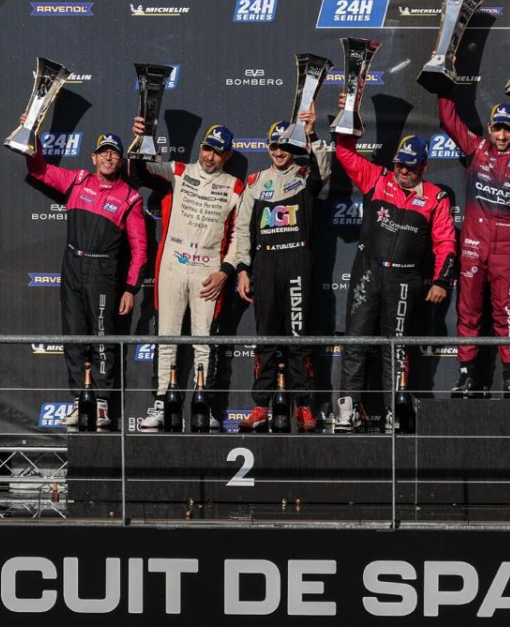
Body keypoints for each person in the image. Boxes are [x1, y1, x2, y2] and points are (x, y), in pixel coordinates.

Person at [22, 130, 147, 431]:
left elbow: (140, 248)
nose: (107, 157)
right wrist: (32, 135)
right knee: (74, 336)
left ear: (120, 161)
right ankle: (80, 400)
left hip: (103, 271)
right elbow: (38, 169)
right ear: (93, 157)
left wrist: (130, 288)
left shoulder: (130, 197)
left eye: (114, 153)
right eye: (103, 152)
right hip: (72, 266)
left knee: (102, 337)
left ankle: (101, 404)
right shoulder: (77, 181)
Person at [333, 129, 456, 432]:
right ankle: (347, 409)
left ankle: (395, 409)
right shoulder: (377, 179)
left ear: (424, 167)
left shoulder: (435, 198)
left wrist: (441, 281)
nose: (403, 170)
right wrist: (348, 124)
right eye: (400, 163)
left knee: (397, 347)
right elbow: (345, 154)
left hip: (404, 278)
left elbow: (446, 244)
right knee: (355, 341)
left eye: (410, 166)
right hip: (368, 271)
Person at [132, 121, 244, 432]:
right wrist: (142, 135)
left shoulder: (236, 187)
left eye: (217, 153)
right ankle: (161, 403)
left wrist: (226, 270)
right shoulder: (179, 171)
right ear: (201, 148)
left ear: (228, 155)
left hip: (208, 271)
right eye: (207, 149)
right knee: (166, 336)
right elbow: (141, 170)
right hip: (171, 265)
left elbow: (240, 235)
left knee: (203, 341)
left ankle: (201, 404)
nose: (210, 157)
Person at [223, 108, 330, 432]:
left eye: (284, 145)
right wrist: (243, 271)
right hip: (266, 264)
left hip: (297, 260)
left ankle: (303, 406)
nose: (279, 151)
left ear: (293, 147)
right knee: (267, 338)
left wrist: (311, 134)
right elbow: (242, 231)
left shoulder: (304, 174)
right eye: (274, 146)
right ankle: (260, 406)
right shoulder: (256, 183)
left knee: (298, 337)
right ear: (268, 148)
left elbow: (325, 171)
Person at [437, 87, 510, 398]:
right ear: (489, 127)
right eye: (497, 128)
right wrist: (444, 77)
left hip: (508, 247)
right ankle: (465, 377)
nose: (501, 135)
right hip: (473, 245)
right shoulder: (476, 148)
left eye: (507, 129)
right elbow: (448, 118)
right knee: (468, 311)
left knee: (508, 312)